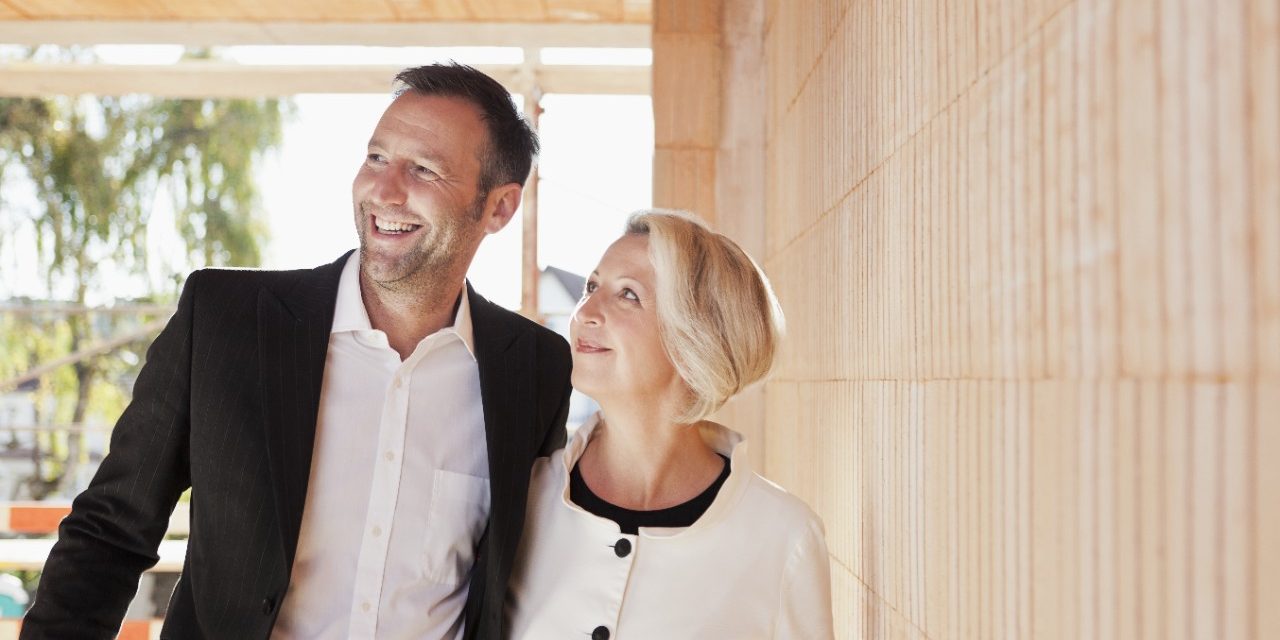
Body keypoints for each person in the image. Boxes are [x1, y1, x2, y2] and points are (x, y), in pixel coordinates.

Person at [22, 63, 572, 640]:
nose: (383, 190)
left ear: (499, 208)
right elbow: (110, 532)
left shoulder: (534, 368)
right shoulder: (226, 320)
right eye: (377, 158)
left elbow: (523, 579)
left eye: (424, 170)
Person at [505, 210, 834, 639]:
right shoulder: (523, 496)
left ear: (694, 338)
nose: (585, 311)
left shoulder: (784, 537)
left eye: (628, 295)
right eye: (591, 286)